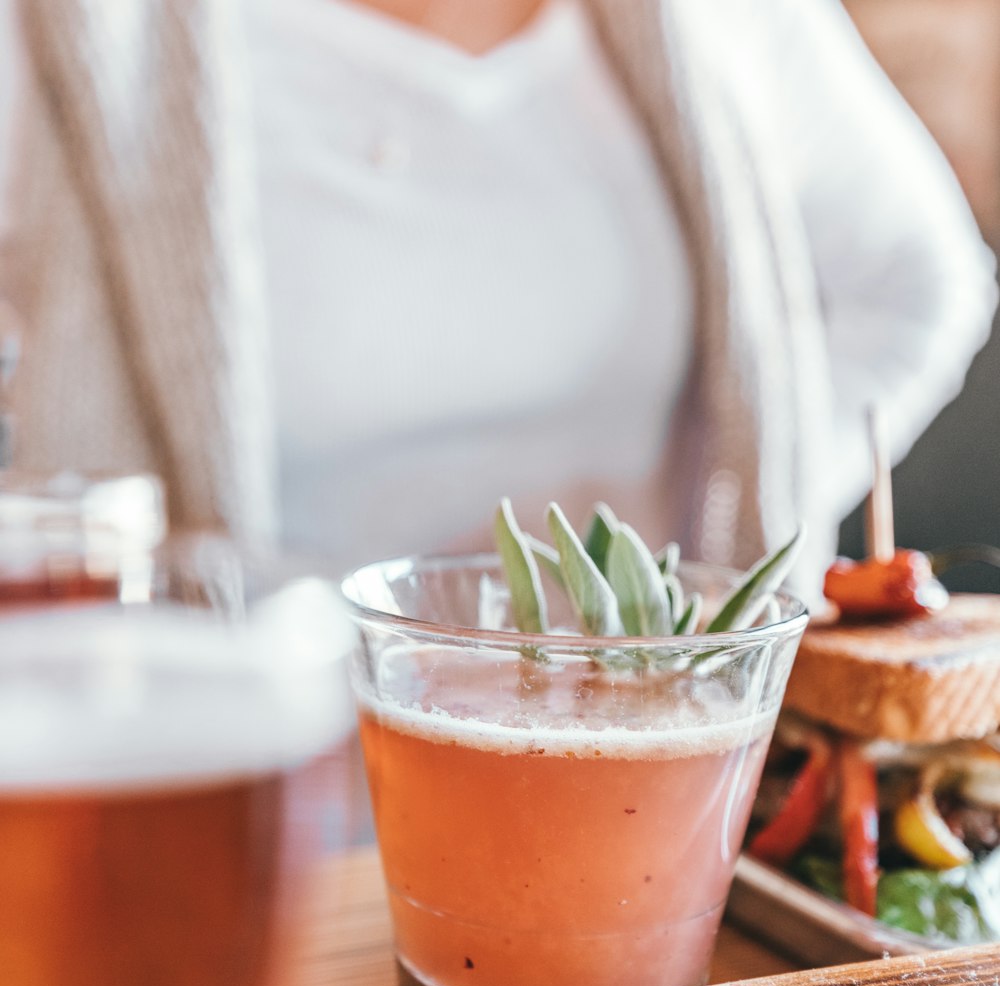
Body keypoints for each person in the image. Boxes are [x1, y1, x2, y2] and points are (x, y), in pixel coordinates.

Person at [0, 0, 994, 599]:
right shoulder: (68, 38)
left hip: (633, 769)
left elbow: (918, 285)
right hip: (238, 805)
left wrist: (737, 508)